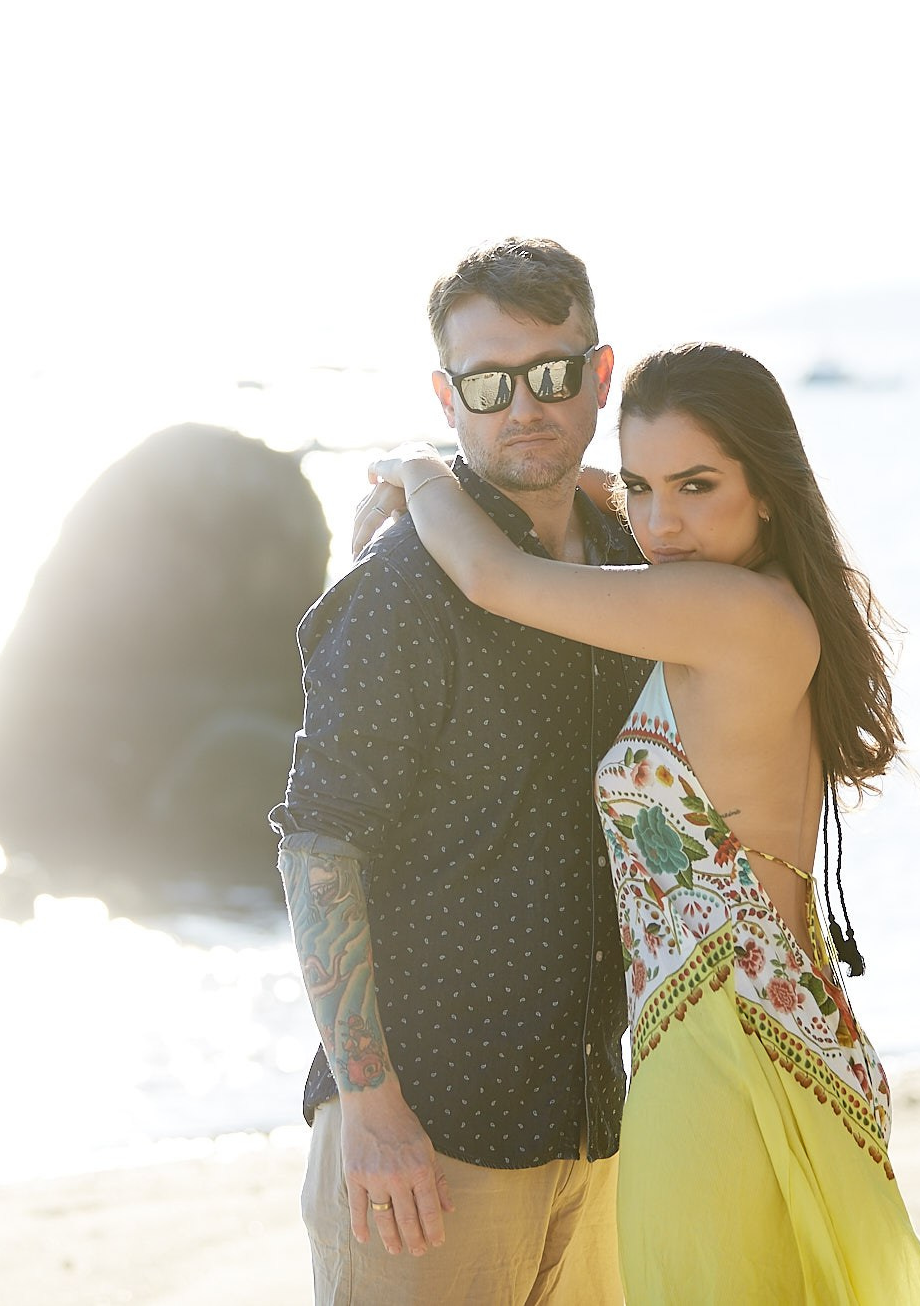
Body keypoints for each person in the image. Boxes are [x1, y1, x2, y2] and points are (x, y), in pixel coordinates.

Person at [368, 343, 920, 1304]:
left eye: (696, 484)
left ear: (768, 490)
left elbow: (493, 578)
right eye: (643, 486)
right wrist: (601, 482)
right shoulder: (754, 598)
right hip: (756, 1037)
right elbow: (602, 504)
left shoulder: (723, 607)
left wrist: (417, 469)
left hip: (724, 1055)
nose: (660, 520)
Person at [271, 237, 652, 1304]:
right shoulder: (401, 590)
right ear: (448, 395)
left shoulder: (636, 564)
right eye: (488, 382)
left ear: (600, 374)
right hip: (427, 1138)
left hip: (591, 1118)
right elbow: (317, 852)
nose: (522, 405)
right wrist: (374, 1112)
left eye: (552, 372)